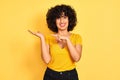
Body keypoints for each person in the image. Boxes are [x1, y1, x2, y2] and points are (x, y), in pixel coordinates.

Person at [28, 4, 82, 80]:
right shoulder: (49, 38)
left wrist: (67, 40)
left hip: (70, 75)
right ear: (54, 20)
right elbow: (47, 60)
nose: (62, 21)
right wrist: (42, 38)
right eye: (58, 18)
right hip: (51, 75)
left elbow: (76, 58)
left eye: (64, 17)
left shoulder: (77, 37)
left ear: (69, 19)